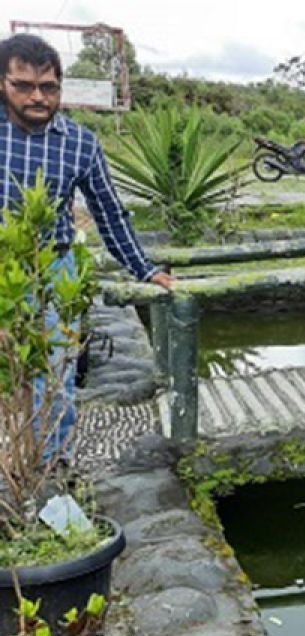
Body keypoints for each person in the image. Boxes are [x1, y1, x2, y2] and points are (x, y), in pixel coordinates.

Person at [0, 34, 175, 462]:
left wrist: (145, 270)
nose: (37, 97)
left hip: (53, 272)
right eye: (23, 85)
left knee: (55, 384)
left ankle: (50, 474)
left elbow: (110, 214)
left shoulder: (80, 143)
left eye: (49, 87)